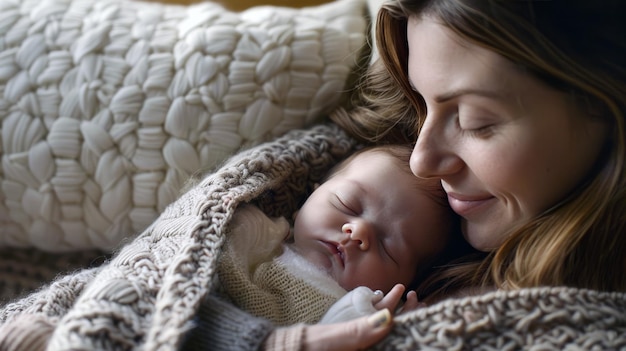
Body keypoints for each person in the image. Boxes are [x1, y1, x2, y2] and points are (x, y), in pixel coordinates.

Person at [195, 0, 625, 349]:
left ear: (607, 114)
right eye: (420, 103)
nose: (422, 161)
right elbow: (152, 298)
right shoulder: (318, 175)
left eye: (476, 121)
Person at [183, 144, 460, 347]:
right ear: (313, 191)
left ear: (406, 282)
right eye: (347, 203)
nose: (359, 232)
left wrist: (400, 330)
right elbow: (195, 252)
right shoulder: (261, 233)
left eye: (388, 247)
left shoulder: (371, 308)